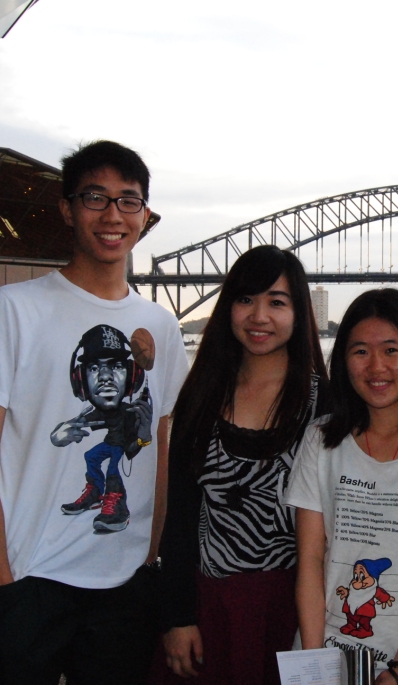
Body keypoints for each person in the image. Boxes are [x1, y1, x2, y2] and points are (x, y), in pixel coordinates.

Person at [0, 140, 189, 685]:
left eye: (128, 201)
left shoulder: (162, 326)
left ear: (145, 215)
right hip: (26, 580)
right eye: (94, 198)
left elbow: (162, 449)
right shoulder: (15, 309)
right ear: (67, 208)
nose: (112, 215)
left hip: (123, 587)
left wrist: (150, 561)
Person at [155, 245, 328, 685]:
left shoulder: (326, 405)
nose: (259, 316)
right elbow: (180, 515)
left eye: (277, 302)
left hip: (294, 607)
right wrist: (177, 616)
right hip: (209, 606)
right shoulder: (202, 394)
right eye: (246, 299)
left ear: (299, 312)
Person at [287, 288, 398, 685]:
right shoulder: (321, 438)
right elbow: (310, 561)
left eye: (391, 350)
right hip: (323, 651)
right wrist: (315, 664)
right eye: (360, 351)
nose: (376, 367)